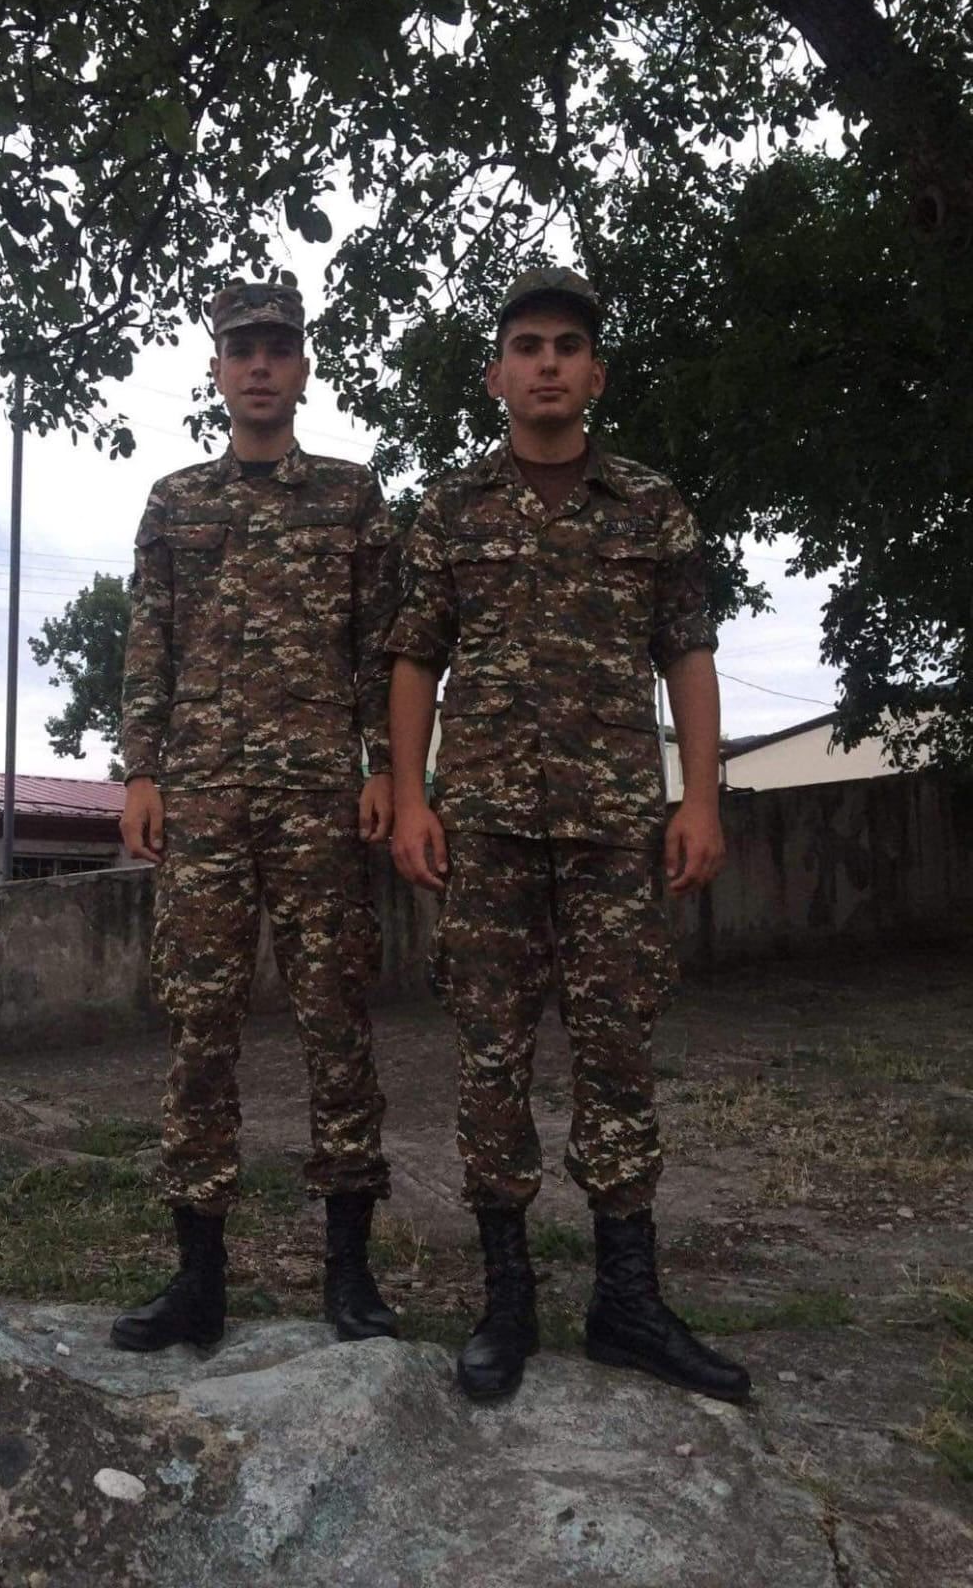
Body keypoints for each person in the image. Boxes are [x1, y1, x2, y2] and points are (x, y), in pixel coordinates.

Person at [386, 267, 750, 1404]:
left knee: (618, 1057)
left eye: (567, 347)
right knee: (491, 1060)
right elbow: (415, 659)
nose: (547, 363)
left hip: (612, 833)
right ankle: (508, 1300)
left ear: (596, 374)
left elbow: (687, 653)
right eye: (527, 346)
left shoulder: (651, 506)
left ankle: (627, 1302)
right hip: (487, 831)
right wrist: (411, 797)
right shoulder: (449, 511)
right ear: (497, 375)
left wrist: (701, 797)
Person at [112, 272, 399, 1353]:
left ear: (305, 368)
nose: (261, 366)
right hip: (204, 800)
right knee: (199, 1030)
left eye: (278, 348)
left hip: (320, 797)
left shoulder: (352, 497)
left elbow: (380, 649)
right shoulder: (176, 501)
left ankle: (350, 1273)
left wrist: (384, 766)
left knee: (338, 1024)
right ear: (218, 371)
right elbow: (149, 643)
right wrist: (143, 774)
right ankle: (199, 1279)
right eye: (243, 350)